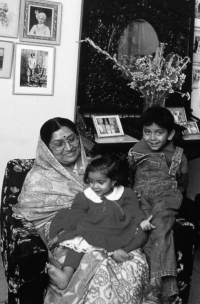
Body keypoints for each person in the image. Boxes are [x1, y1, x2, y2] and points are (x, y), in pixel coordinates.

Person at [12, 117, 149, 304]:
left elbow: (120, 197)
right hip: (65, 234)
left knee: (131, 262)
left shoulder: (97, 167)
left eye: (72, 139)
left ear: (79, 138)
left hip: (111, 228)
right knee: (99, 267)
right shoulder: (37, 178)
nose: (68, 148)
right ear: (47, 149)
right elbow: (35, 221)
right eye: (59, 144)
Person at [47, 156, 149, 289]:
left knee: (127, 243)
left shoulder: (125, 193)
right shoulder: (86, 196)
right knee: (76, 246)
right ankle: (65, 276)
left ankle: (113, 259)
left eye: (100, 182)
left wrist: (142, 223)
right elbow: (77, 219)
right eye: (91, 181)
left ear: (113, 181)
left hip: (115, 230)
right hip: (91, 230)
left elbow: (135, 213)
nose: (95, 186)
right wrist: (61, 236)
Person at [128, 107, 188, 304]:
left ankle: (154, 283)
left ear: (170, 134)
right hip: (142, 195)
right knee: (147, 229)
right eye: (147, 132)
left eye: (159, 132)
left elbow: (182, 182)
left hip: (167, 194)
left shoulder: (178, 155)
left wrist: (172, 195)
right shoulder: (136, 151)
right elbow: (130, 176)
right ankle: (168, 289)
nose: (152, 138)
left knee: (160, 225)